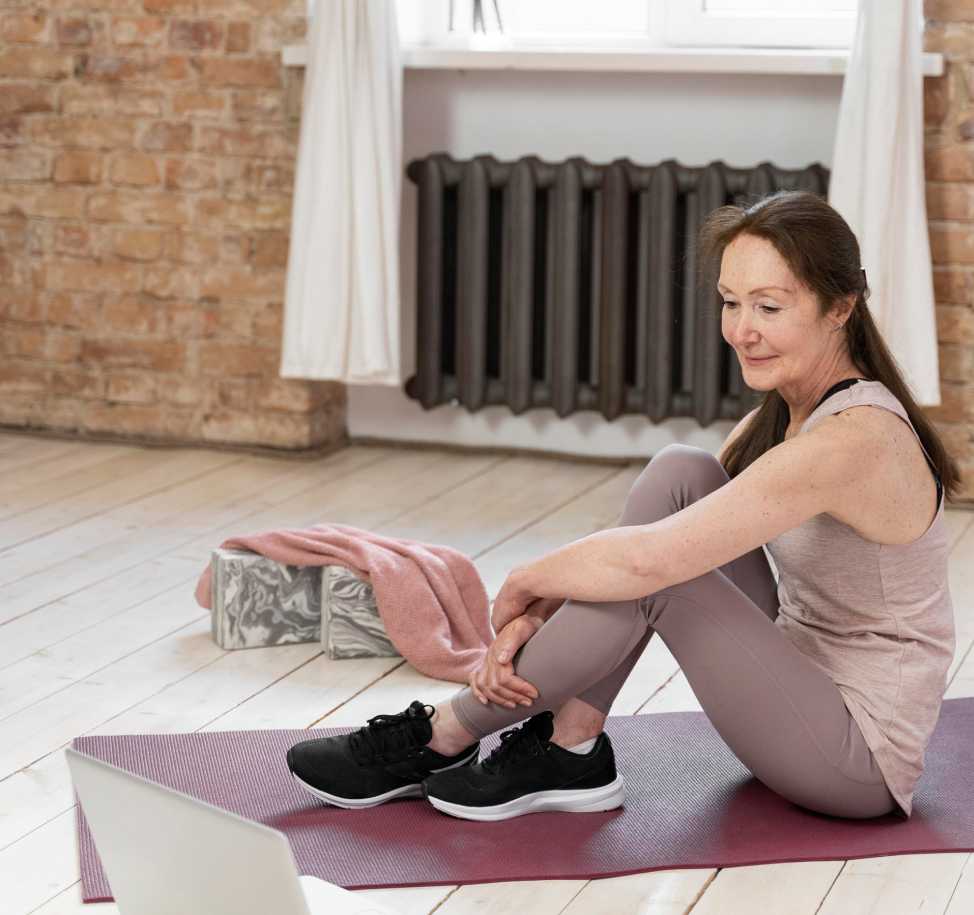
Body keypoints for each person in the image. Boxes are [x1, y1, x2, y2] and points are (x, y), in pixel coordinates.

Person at [287, 190, 957, 823]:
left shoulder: (854, 440)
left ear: (840, 307)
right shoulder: (779, 422)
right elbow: (652, 535)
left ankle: (445, 733)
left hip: (854, 759)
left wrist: (524, 583)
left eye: (769, 307)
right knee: (680, 474)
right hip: (793, 683)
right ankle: (571, 747)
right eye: (730, 303)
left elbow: (650, 562)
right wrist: (537, 615)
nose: (741, 330)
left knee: (667, 573)